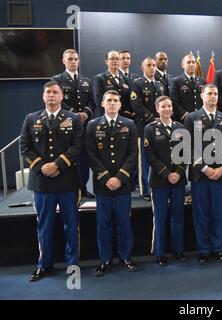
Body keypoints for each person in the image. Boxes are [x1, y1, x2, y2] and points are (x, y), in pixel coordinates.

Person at [20, 81, 83, 282]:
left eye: (55, 92)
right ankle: (44, 264)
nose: (51, 95)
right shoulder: (31, 118)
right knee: (44, 225)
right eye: (48, 92)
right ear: (43, 96)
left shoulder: (73, 118)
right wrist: (42, 167)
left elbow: (77, 146)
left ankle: (72, 264)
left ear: (62, 96)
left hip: (67, 180)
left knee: (71, 225)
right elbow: (25, 146)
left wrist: (57, 165)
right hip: (42, 182)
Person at [85, 90, 139, 276]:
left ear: (120, 104)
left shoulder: (129, 124)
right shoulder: (93, 125)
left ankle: (125, 256)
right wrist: (107, 178)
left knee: (124, 221)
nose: (112, 103)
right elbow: (91, 155)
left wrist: (120, 177)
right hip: (103, 183)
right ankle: (105, 259)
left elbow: (133, 154)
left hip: (123, 182)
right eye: (109, 100)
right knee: (103, 222)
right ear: (102, 104)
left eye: (116, 100)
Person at [184, 84, 222, 264]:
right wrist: (205, 168)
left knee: (219, 213)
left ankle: (218, 247)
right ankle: (204, 249)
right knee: (201, 214)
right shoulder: (192, 118)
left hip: (220, 174)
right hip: (200, 175)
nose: (213, 97)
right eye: (209, 94)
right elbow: (187, 147)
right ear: (202, 96)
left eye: (215, 94)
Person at [144, 96, 187, 266]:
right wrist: (167, 173)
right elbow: (150, 156)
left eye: (169, 106)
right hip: (159, 180)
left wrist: (178, 173)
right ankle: (160, 252)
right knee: (160, 217)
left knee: (178, 216)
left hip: (179, 179)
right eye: (163, 106)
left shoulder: (181, 128)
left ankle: (178, 250)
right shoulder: (150, 129)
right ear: (157, 109)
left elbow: (186, 153)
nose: (167, 109)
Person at [51, 48, 95, 199]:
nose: (73, 62)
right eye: (70, 59)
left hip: (84, 126)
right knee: (68, 157)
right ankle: (69, 187)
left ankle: (82, 188)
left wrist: (86, 113)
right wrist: (73, 114)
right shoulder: (56, 80)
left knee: (84, 159)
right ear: (64, 61)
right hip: (65, 127)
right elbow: (57, 101)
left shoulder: (86, 81)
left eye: (76, 59)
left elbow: (92, 102)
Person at [130, 57, 165, 200]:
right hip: (143, 128)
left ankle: (155, 186)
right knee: (143, 160)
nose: (152, 68)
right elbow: (136, 105)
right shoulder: (137, 84)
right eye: (149, 65)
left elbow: (163, 104)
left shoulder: (159, 85)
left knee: (157, 158)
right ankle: (145, 190)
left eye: (154, 65)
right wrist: (153, 119)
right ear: (142, 67)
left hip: (158, 128)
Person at [93, 50, 133, 119]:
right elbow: (99, 101)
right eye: (112, 59)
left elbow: (130, 100)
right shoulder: (100, 79)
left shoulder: (127, 79)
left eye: (117, 59)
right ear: (106, 61)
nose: (115, 61)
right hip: (106, 117)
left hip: (124, 118)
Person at [170, 53, 206, 122]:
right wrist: (186, 115)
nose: (191, 64)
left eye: (193, 62)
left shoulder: (202, 81)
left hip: (200, 119)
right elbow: (174, 101)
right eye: (188, 62)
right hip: (184, 119)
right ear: (183, 65)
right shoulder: (176, 81)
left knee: (199, 133)